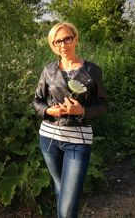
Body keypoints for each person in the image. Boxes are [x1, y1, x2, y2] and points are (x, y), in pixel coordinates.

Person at [33, 22, 107, 218]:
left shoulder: (92, 70)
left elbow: (102, 105)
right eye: (57, 41)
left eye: (67, 38)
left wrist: (81, 110)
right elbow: (37, 101)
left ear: (76, 39)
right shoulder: (48, 70)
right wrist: (49, 111)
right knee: (59, 187)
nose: (63, 45)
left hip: (78, 141)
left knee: (67, 209)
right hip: (48, 139)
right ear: (53, 45)